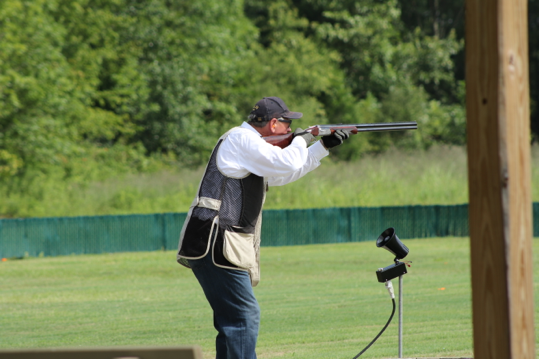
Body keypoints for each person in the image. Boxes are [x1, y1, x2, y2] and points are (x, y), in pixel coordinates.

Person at [176, 96, 350, 359]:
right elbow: (285, 162)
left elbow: (280, 174)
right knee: (244, 316)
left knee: (233, 321)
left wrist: (321, 147)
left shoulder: (248, 144)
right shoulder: (241, 138)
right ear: (272, 123)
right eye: (287, 123)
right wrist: (304, 139)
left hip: (217, 242)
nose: (290, 129)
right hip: (217, 241)